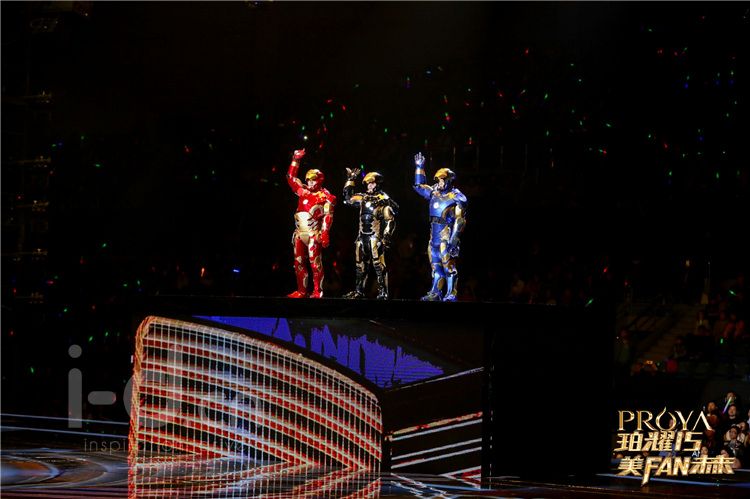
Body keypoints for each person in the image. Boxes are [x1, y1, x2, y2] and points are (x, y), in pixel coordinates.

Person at [412, 152, 467, 301]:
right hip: (434, 236)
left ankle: (451, 293)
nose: (440, 182)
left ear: (449, 180)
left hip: (446, 236)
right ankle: (436, 292)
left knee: (448, 266)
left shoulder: (456, 196)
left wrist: (454, 239)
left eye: (443, 179)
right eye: (439, 179)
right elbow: (418, 186)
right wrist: (419, 167)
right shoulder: (434, 193)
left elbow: (460, 220)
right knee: (436, 267)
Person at [285, 148, 336, 298]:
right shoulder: (303, 191)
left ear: (319, 180)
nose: (310, 182)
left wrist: (325, 233)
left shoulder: (325, 196)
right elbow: (290, 177)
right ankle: (301, 291)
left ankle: (317, 291)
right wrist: (295, 159)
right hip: (299, 233)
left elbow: (328, 216)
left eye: (313, 179)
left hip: (314, 234)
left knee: (315, 264)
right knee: (298, 263)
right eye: (308, 180)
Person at [342, 168, 398, 300]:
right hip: (362, 236)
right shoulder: (363, 197)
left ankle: (383, 292)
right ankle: (359, 291)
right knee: (360, 265)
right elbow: (348, 198)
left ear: (377, 184)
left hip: (375, 236)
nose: (370, 186)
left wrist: (386, 237)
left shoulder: (383, 199)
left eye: (372, 183)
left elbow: (391, 217)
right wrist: (350, 180)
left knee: (378, 265)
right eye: (368, 184)